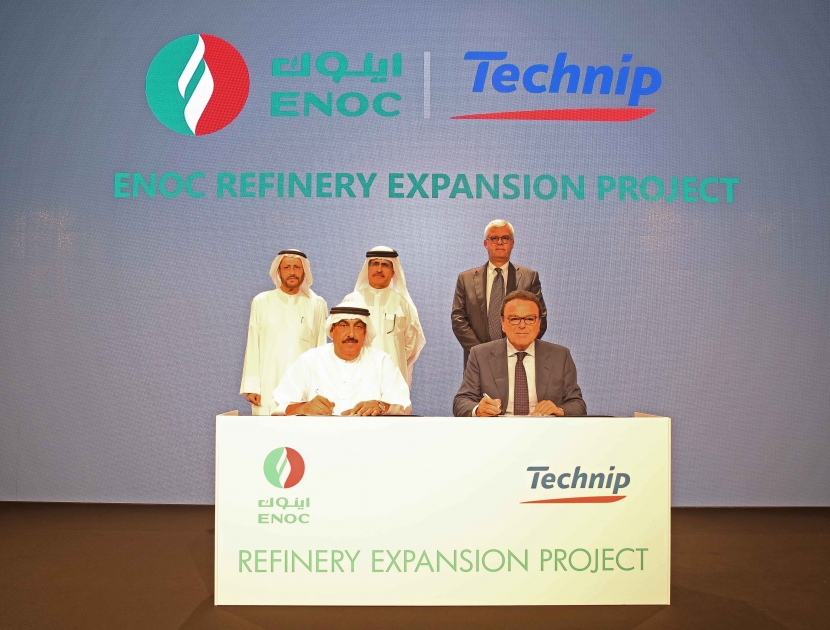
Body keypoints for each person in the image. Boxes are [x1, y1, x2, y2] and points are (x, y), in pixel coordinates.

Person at [453, 290, 585, 417]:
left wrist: (559, 410)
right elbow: (461, 401)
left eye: (530, 319)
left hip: (544, 428)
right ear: (503, 323)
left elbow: (577, 404)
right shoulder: (480, 355)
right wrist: (478, 409)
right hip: (498, 429)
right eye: (514, 319)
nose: (522, 325)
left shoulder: (560, 356)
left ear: (539, 323)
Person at [272, 302, 412, 416]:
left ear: (365, 332)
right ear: (332, 330)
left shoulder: (382, 362)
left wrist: (380, 406)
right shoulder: (310, 360)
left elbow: (403, 406)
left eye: (358, 327)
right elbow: (277, 406)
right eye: (344, 325)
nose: (351, 334)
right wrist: (304, 408)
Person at [239, 249, 327, 415]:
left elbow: (320, 348)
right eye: (287, 267)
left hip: (303, 385)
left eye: (297, 267)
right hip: (268, 383)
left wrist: (319, 388)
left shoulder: (317, 304)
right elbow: (253, 344)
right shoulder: (261, 301)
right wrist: (252, 387)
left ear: (304, 272)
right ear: (278, 271)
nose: (292, 272)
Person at [451, 219, 547, 368]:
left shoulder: (529, 278)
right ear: (486, 243)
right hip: (477, 362)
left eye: (505, 238)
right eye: (494, 238)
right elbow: (458, 319)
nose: (500, 242)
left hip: (517, 359)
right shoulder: (466, 279)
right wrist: (481, 353)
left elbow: (540, 318)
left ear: (512, 243)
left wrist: (515, 348)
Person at [342, 246, 426, 386]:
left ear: (393, 272)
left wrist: (394, 357)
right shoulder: (351, 301)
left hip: (392, 376)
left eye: (385, 265)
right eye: (375, 263)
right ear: (367, 269)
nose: (379, 269)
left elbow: (411, 344)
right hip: (357, 375)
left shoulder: (403, 303)